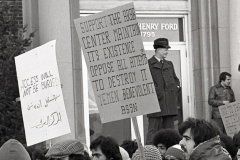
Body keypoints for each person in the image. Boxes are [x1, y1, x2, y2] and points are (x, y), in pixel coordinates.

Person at [146, 37, 180, 145]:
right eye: (165, 49)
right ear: (157, 50)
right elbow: (146, 84)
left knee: (169, 131)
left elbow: (175, 79)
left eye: (167, 49)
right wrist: (156, 93)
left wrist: (176, 88)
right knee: (153, 130)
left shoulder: (169, 64)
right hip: (155, 103)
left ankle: (170, 151)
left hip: (169, 103)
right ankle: (150, 153)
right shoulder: (148, 64)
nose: (167, 52)